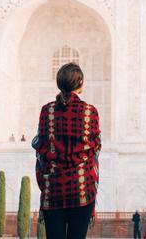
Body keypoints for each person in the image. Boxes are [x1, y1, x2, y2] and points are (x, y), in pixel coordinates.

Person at [32, 62, 101, 239]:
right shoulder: (89, 112)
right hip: (82, 190)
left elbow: (41, 151)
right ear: (81, 84)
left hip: (53, 190)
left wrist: (45, 183)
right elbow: (94, 151)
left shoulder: (47, 111)